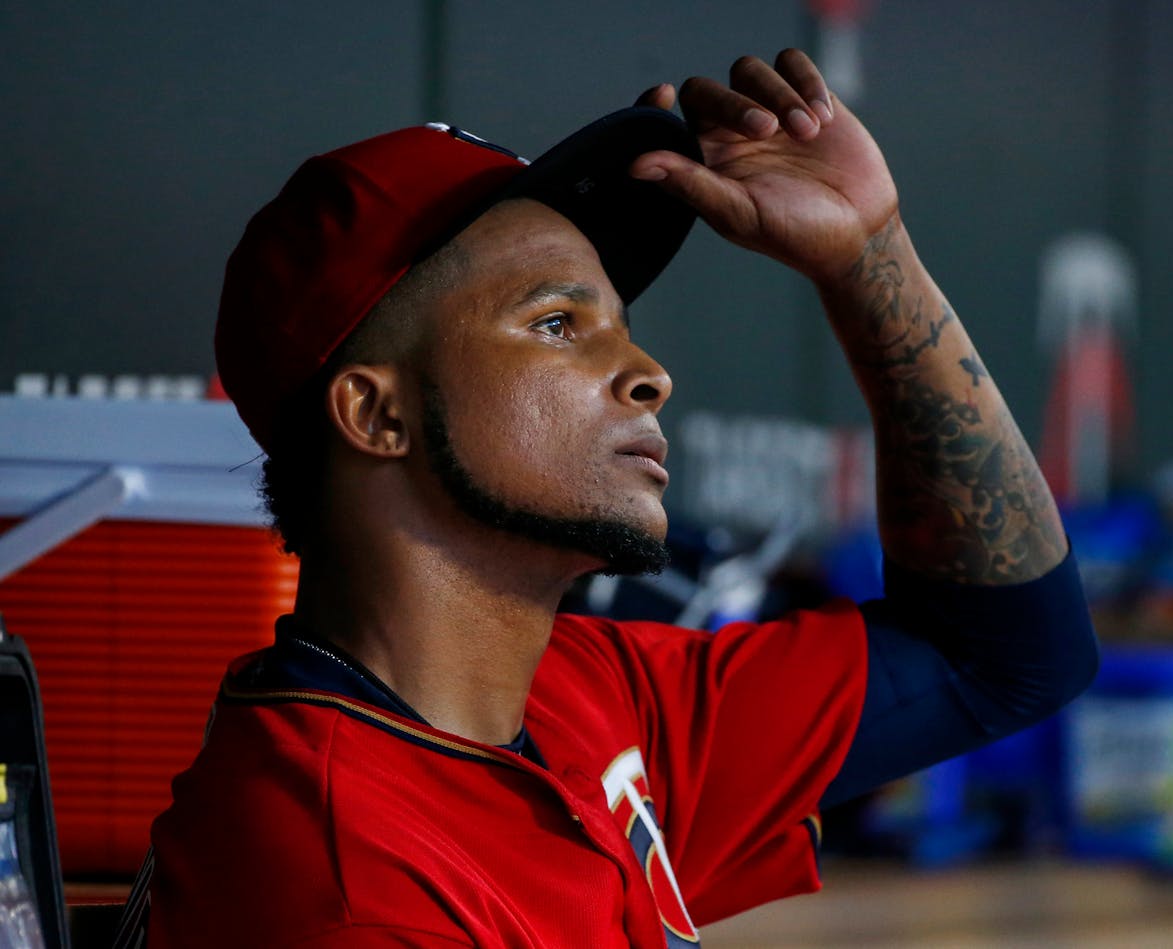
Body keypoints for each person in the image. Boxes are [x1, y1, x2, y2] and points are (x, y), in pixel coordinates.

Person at [129, 50, 1097, 947]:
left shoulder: (583, 691)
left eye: (619, 325)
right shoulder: (346, 881)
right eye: (557, 323)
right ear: (377, 414)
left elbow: (1003, 654)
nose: (645, 373)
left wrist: (866, 257)